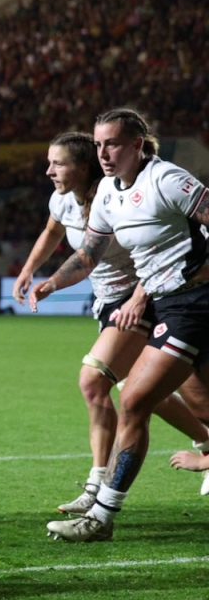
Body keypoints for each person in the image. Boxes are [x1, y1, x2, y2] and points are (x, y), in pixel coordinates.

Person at [31, 109, 209, 542]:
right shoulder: (109, 192)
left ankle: (101, 515)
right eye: (98, 145)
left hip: (194, 303)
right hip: (166, 304)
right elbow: (89, 254)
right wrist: (52, 282)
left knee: (133, 399)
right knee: (200, 404)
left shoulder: (167, 180)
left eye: (111, 143)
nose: (103, 153)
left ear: (137, 145)